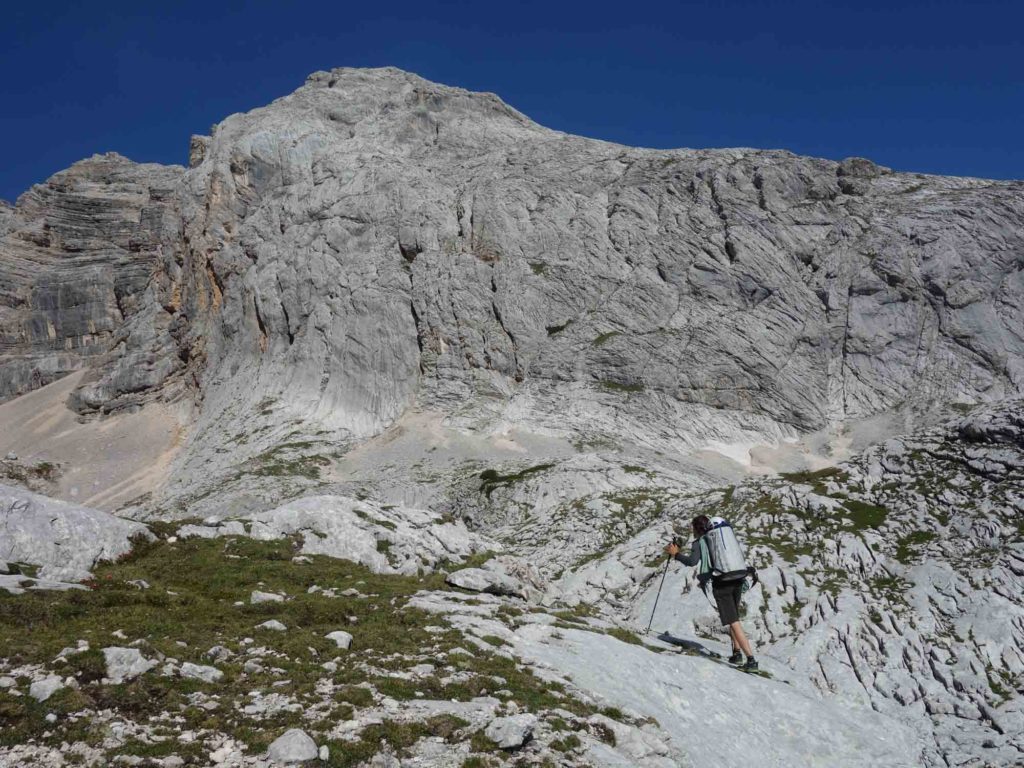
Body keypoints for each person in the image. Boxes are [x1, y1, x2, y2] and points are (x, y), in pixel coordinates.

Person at [666, 514, 758, 670]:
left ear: (696, 529)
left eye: (693, 528)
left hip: (722, 582)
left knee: (733, 621)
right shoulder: (721, 537)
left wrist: (676, 555)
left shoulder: (700, 542)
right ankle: (736, 653)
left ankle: (751, 660)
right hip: (737, 577)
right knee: (733, 616)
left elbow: (692, 562)